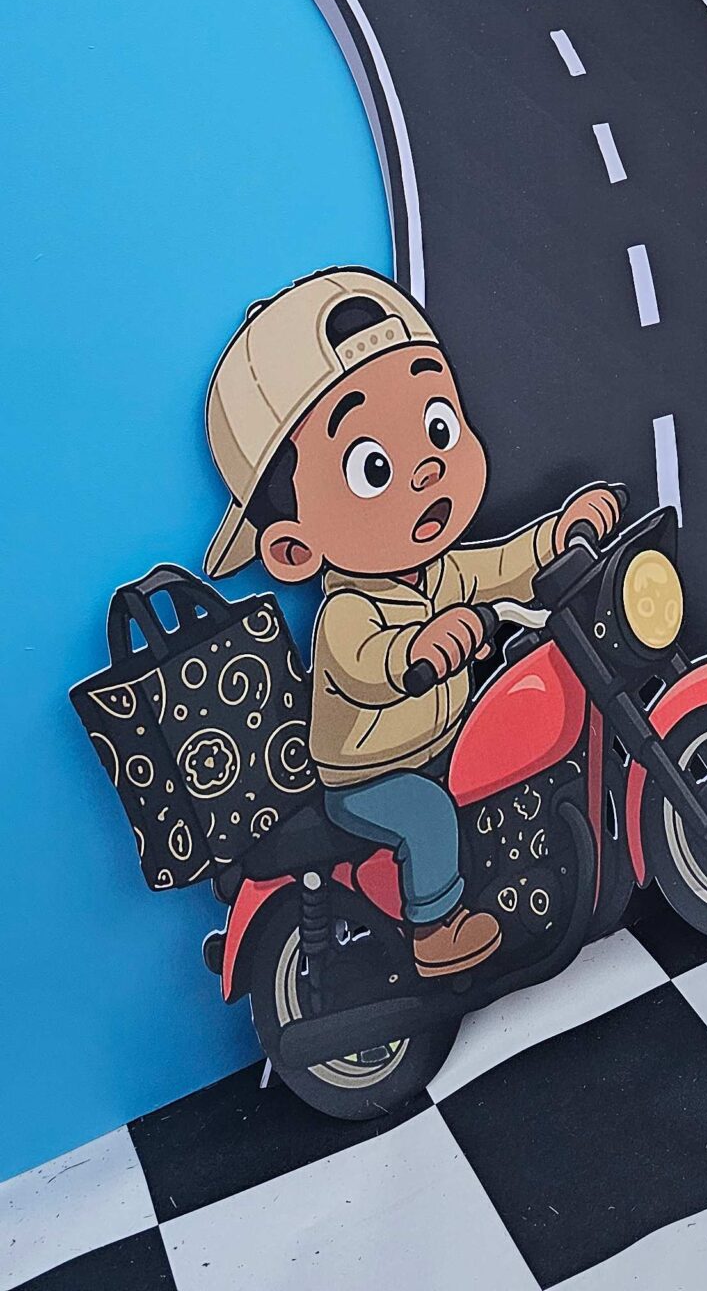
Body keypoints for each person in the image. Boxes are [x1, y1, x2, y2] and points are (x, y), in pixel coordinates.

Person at [203, 267, 620, 976]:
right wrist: (417, 650)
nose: (424, 470)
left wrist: (560, 531)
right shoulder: (347, 609)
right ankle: (436, 929)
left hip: (441, 739)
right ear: (293, 549)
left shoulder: (441, 570)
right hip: (371, 774)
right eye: (372, 468)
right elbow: (366, 663)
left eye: (437, 427)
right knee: (425, 815)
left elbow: (503, 562)